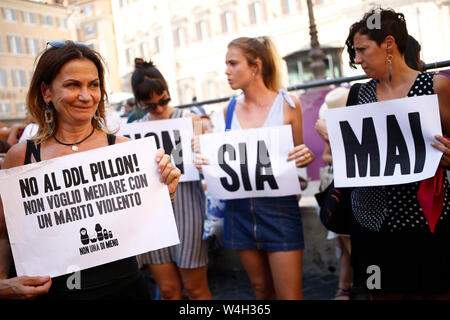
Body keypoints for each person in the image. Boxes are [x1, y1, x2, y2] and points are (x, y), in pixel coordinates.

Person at [0, 40, 181, 300]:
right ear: (46, 91)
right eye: (73, 85)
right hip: (51, 292)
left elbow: (144, 220)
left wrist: (167, 191)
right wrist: (3, 282)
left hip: (123, 289)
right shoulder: (21, 157)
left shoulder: (125, 149)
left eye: (93, 85)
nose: (86, 96)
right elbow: (5, 233)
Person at [343, 8, 450, 299]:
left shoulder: (435, 87)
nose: (357, 60)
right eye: (355, 52)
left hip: (425, 218)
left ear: (389, 44)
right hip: (372, 222)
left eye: (363, 50)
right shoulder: (358, 94)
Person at [216, 36, 314, 300]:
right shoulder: (227, 110)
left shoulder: (288, 105)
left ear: (255, 66)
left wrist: (304, 159)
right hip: (239, 211)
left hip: (279, 209)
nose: (226, 71)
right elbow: (221, 164)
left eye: (233, 63)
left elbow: (300, 168)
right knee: (261, 291)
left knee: (289, 296)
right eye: (226, 64)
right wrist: (205, 161)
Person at [131, 59, 212, 300]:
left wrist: (202, 151)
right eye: (149, 105)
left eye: (163, 100)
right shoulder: (134, 130)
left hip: (188, 207)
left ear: (168, 92)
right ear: (139, 103)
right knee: (167, 291)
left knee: (195, 289)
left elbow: (210, 167)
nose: (158, 109)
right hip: (155, 214)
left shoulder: (190, 120)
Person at [316, 87, 353, 300]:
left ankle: (354, 285)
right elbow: (326, 157)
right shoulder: (330, 131)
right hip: (338, 188)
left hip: (354, 187)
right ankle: (346, 285)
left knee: (351, 242)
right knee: (344, 240)